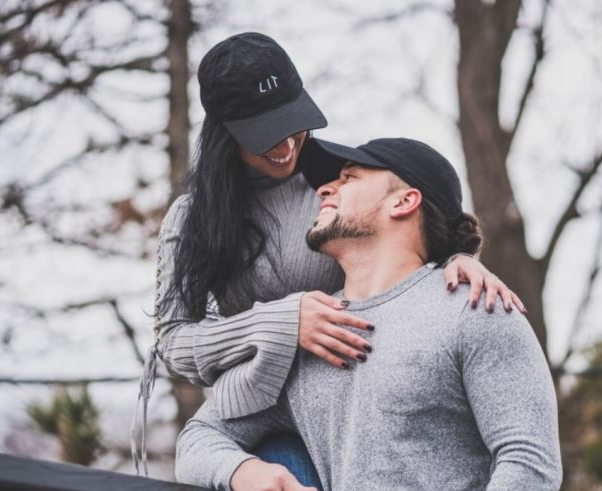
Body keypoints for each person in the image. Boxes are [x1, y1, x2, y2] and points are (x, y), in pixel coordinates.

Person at [131, 32, 525, 483]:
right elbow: (175, 342)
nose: (284, 146)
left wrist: (456, 257)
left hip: (361, 379)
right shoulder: (193, 218)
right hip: (269, 403)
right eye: (263, 135)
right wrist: (283, 322)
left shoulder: (335, 180)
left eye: (291, 122)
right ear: (225, 133)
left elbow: (405, 221)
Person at [174, 137, 562, 491]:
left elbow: (530, 465)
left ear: (403, 201)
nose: (325, 189)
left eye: (349, 177)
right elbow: (198, 439)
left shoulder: (477, 308)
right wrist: (245, 472)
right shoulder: (313, 332)